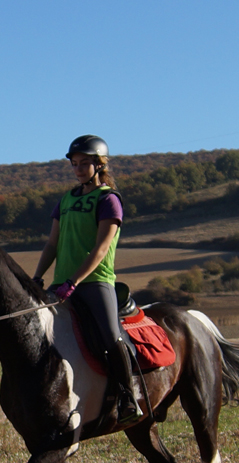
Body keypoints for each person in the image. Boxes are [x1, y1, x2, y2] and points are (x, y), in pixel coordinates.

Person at [33, 134, 143, 426]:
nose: (79, 169)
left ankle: (127, 397)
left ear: (99, 165)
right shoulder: (66, 200)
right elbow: (52, 244)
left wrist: (75, 281)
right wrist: (37, 277)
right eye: (75, 164)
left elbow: (101, 248)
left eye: (85, 164)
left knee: (110, 335)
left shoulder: (109, 200)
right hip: (61, 284)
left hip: (95, 282)